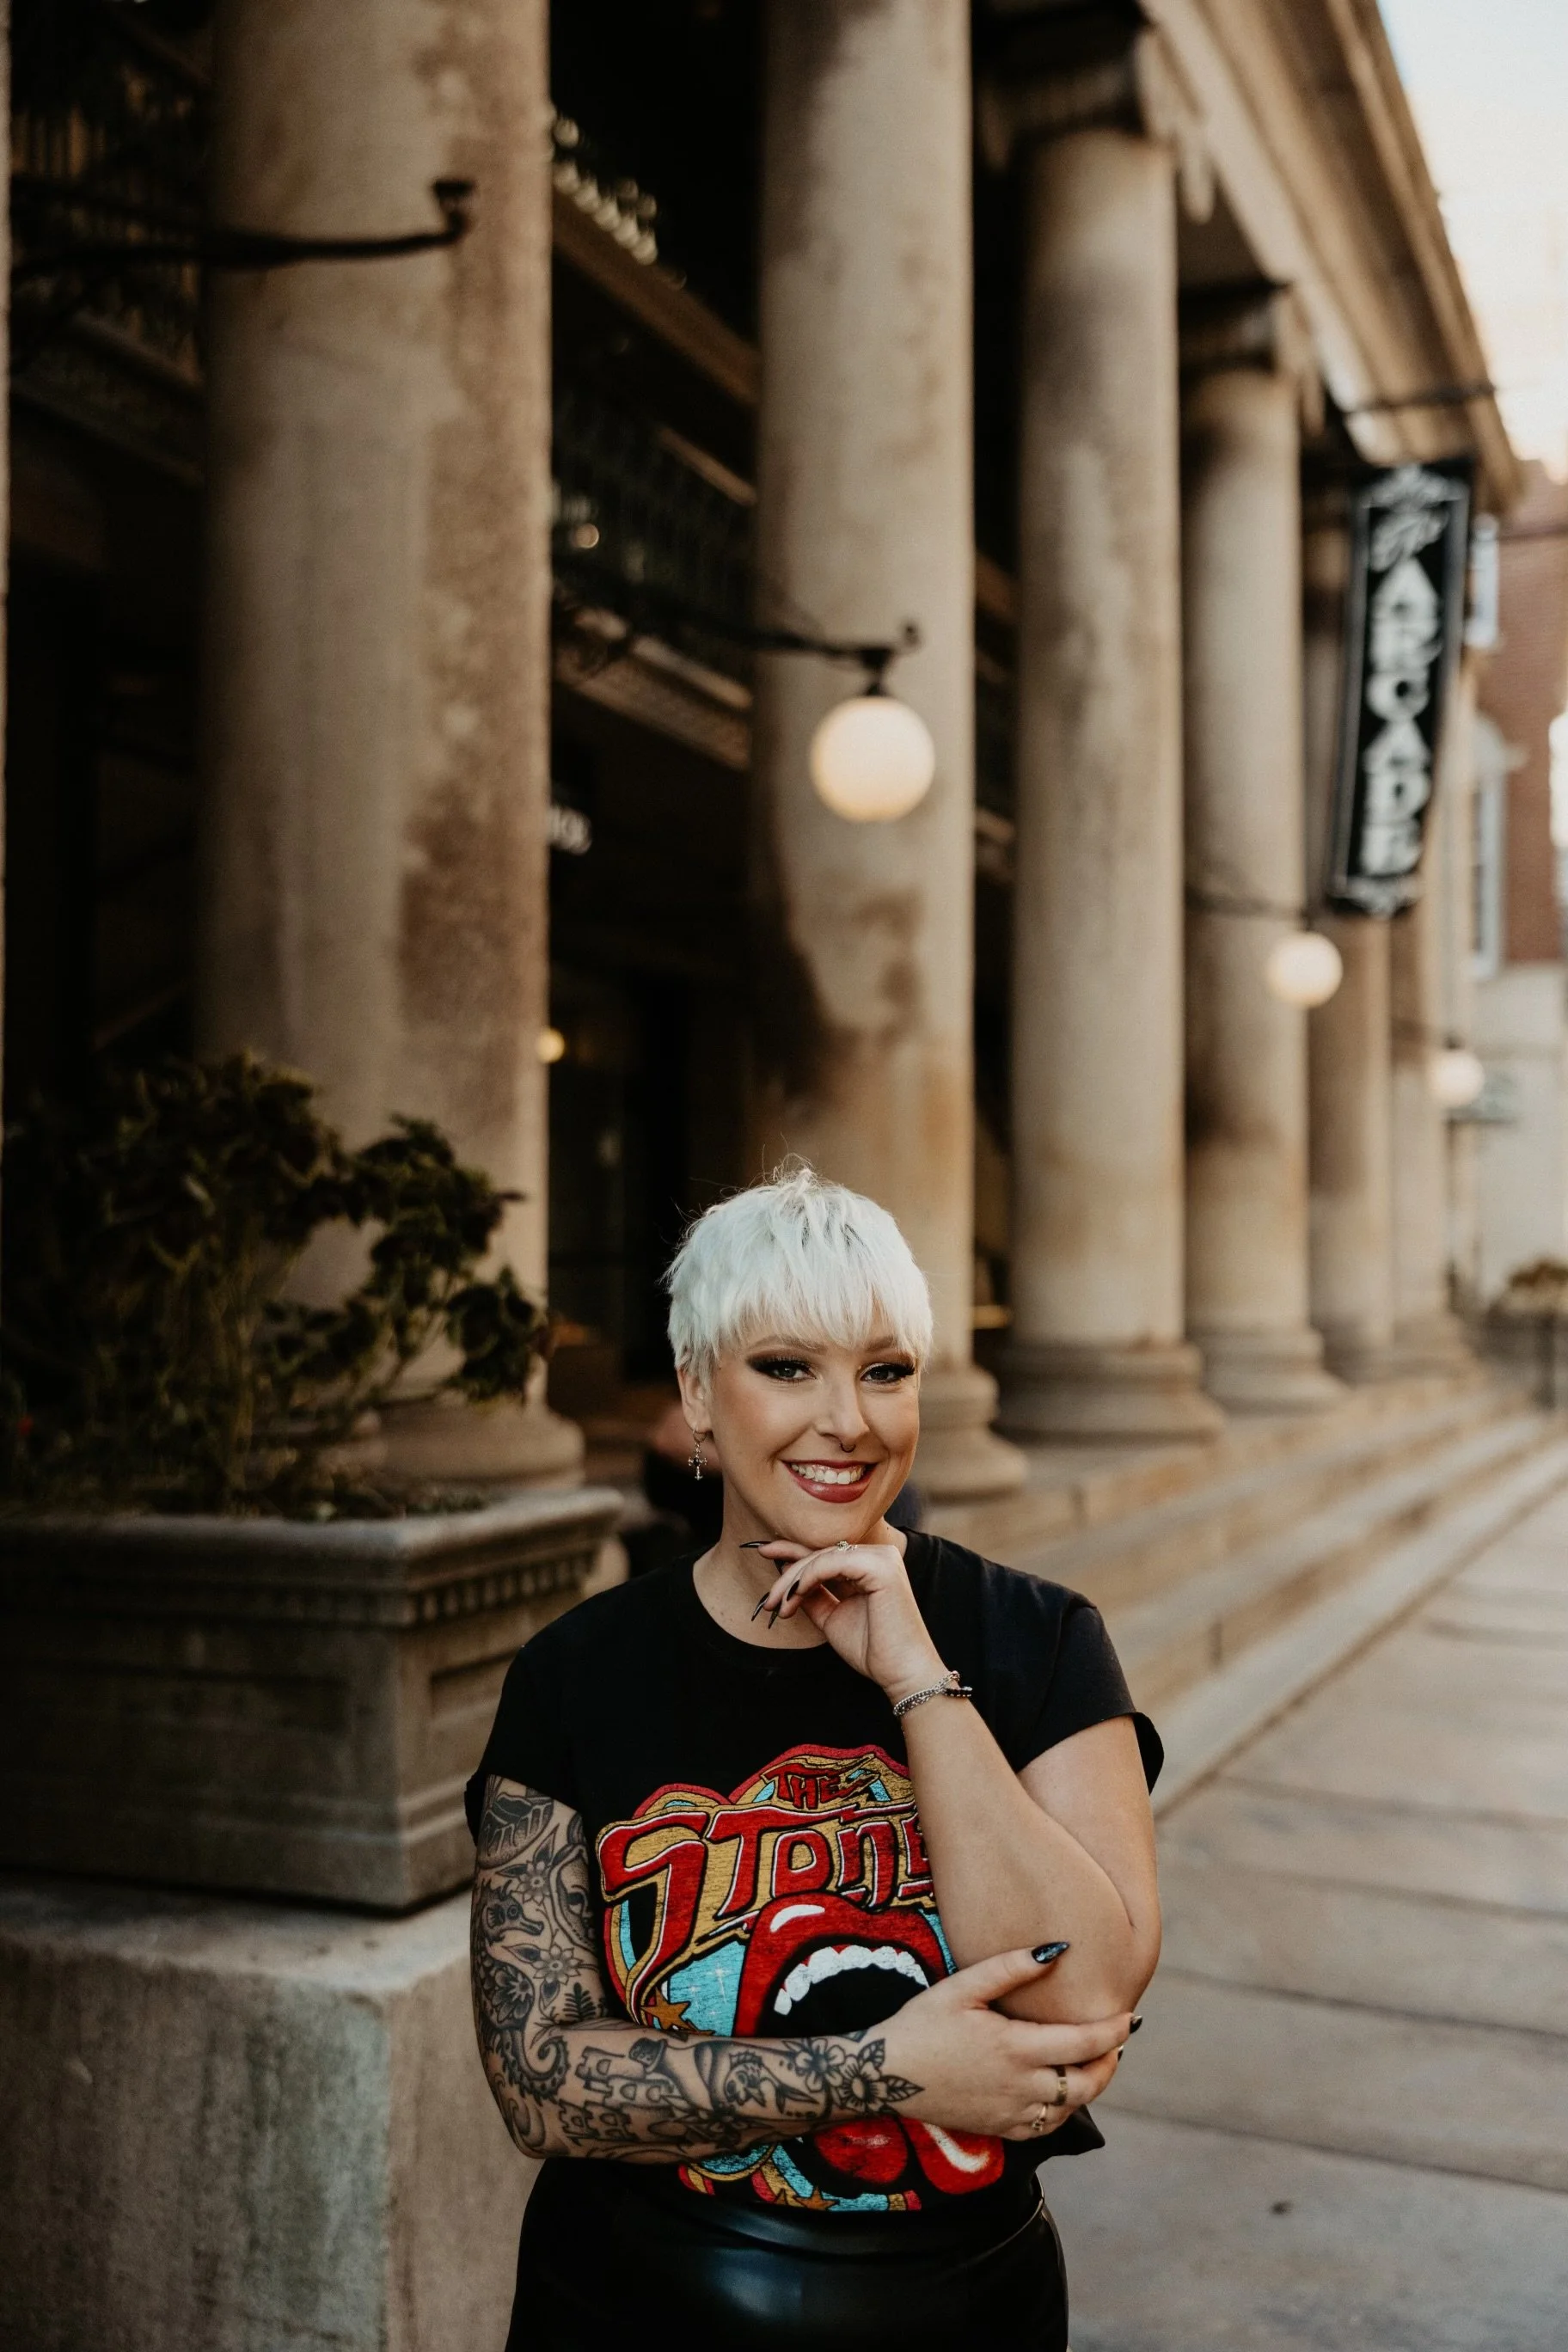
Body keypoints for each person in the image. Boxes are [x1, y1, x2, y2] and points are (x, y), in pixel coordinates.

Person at [467, 1167, 1162, 2350]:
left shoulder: (1036, 1638)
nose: (849, 1420)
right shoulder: (577, 1674)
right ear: (697, 1390)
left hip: (963, 2307)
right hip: (638, 2303)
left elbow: (1082, 1993)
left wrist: (917, 1676)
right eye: (788, 1367)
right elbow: (538, 2082)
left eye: (885, 1370)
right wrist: (884, 2069)